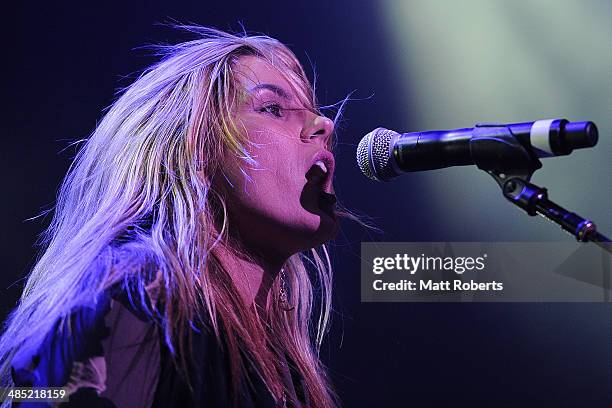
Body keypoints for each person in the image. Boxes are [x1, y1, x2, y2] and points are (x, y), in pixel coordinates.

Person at [0, 26, 350, 407]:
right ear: (194, 150)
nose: (324, 125)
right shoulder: (135, 297)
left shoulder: (285, 370)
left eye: (314, 112)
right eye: (272, 108)